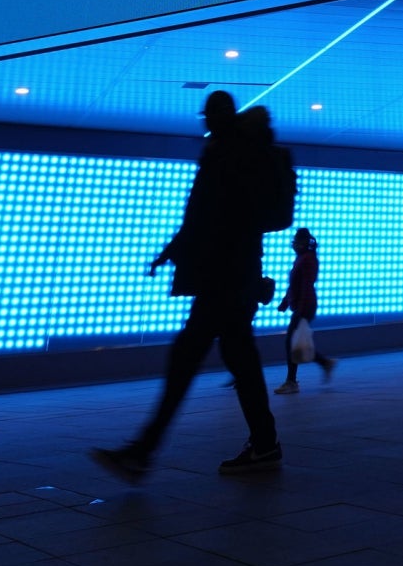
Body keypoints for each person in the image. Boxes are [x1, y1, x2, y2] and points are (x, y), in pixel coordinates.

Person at [91, 91, 285, 479]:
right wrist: (170, 252)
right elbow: (204, 216)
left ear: (219, 116)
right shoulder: (232, 153)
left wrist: (176, 252)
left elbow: (206, 216)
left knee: (187, 360)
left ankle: (142, 452)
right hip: (235, 277)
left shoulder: (228, 155)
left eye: (208, 115)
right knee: (239, 361)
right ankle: (264, 444)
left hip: (223, 278)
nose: (205, 122)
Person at [274, 228, 337, 394]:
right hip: (303, 306)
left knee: (292, 341)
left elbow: (306, 286)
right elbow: (295, 285)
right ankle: (325, 363)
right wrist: (286, 302)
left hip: (305, 307)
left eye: (297, 241)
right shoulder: (302, 258)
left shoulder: (307, 259)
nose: (294, 244)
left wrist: (299, 310)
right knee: (298, 342)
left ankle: (291, 382)